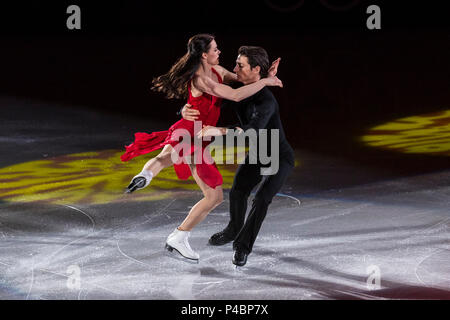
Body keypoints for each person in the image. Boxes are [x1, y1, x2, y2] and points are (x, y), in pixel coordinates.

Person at [120, 34, 283, 262]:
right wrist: (267, 81)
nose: (219, 52)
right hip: (196, 132)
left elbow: (241, 78)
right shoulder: (203, 79)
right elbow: (236, 95)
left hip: (189, 129)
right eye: (215, 50)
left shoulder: (217, 72)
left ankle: (145, 174)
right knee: (214, 195)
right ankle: (179, 236)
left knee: (167, 156)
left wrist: (265, 75)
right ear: (204, 55)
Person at [181, 46, 294, 266]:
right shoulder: (238, 88)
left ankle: (242, 247)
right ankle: (233, 230)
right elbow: (203, 100)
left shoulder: (266, 102)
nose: (235, 69)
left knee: (261, 199)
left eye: (240, 66)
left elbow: (252, 130)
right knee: (238, 191)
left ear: (256, 70)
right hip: (258, 152)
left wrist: (219, 130)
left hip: (279, 156)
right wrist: (184, 110)